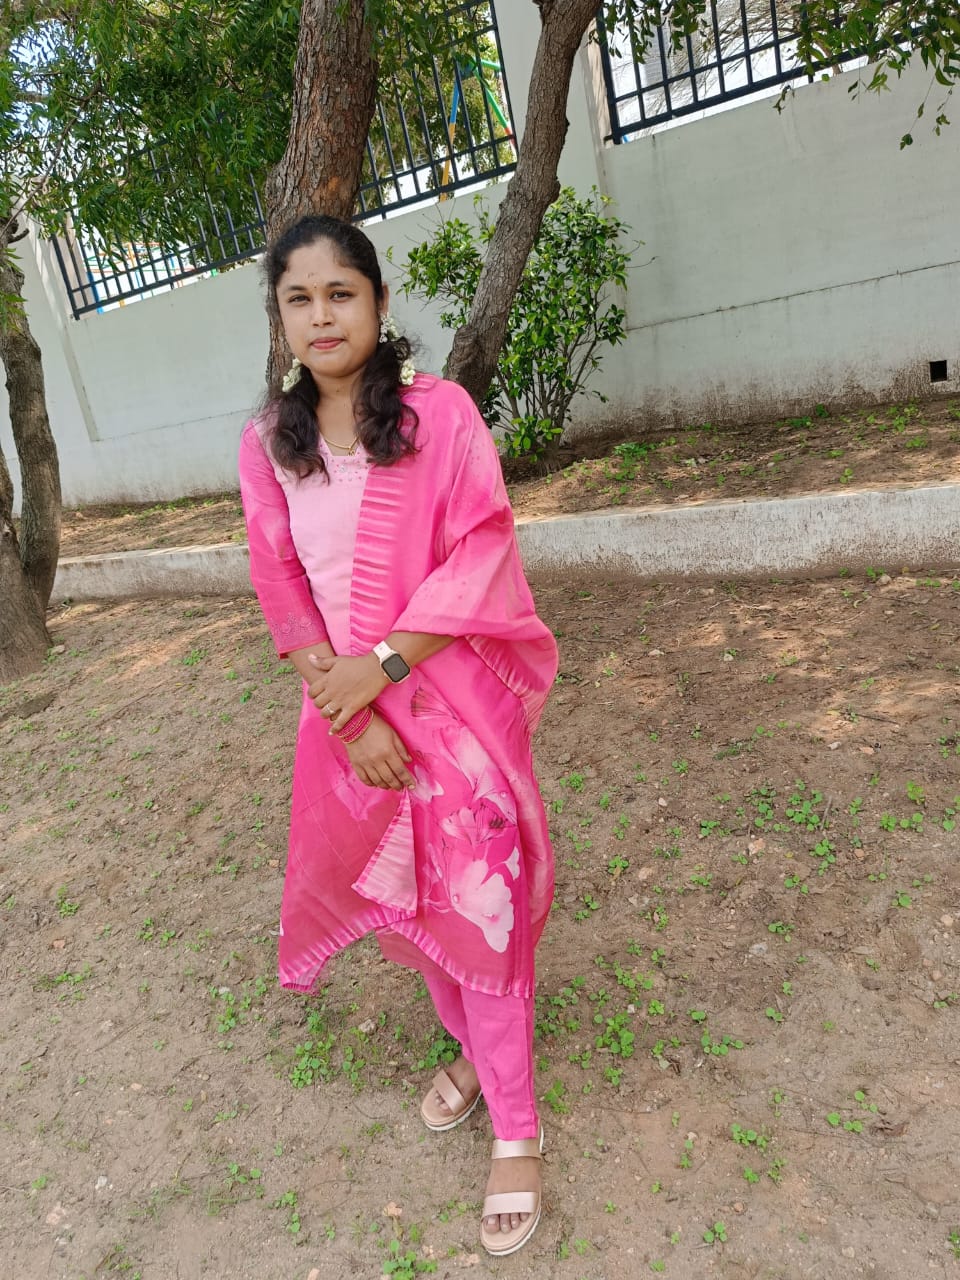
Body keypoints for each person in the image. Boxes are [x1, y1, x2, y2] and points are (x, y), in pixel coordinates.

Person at [237, 214, 558, 1257]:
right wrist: (350, 719)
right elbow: (283, 590)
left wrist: (376, 675)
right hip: (347, 725)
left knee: (480, 909)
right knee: (413, 906)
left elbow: (479, 553)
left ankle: (517, 1126)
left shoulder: (438, 417)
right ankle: (471, 1052)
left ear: (377, 302)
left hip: (446, 715)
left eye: (341, 292)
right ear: (281, 319)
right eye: (299, 298)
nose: (321, 315)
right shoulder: (268, 446)